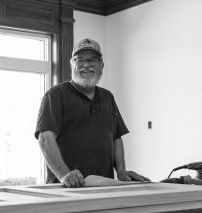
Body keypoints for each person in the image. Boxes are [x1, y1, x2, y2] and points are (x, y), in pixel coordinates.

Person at [35, 37, 150, 187]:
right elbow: (45, 138)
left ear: (102, 65)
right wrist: (64, 175)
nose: (86, 65)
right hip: (66, 189)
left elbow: (116, 137)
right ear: (72, 64)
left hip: (104, 186)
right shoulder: (56, 95)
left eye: (93, 60)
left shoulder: (108, 97)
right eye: (80, 60)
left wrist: (121, 171)